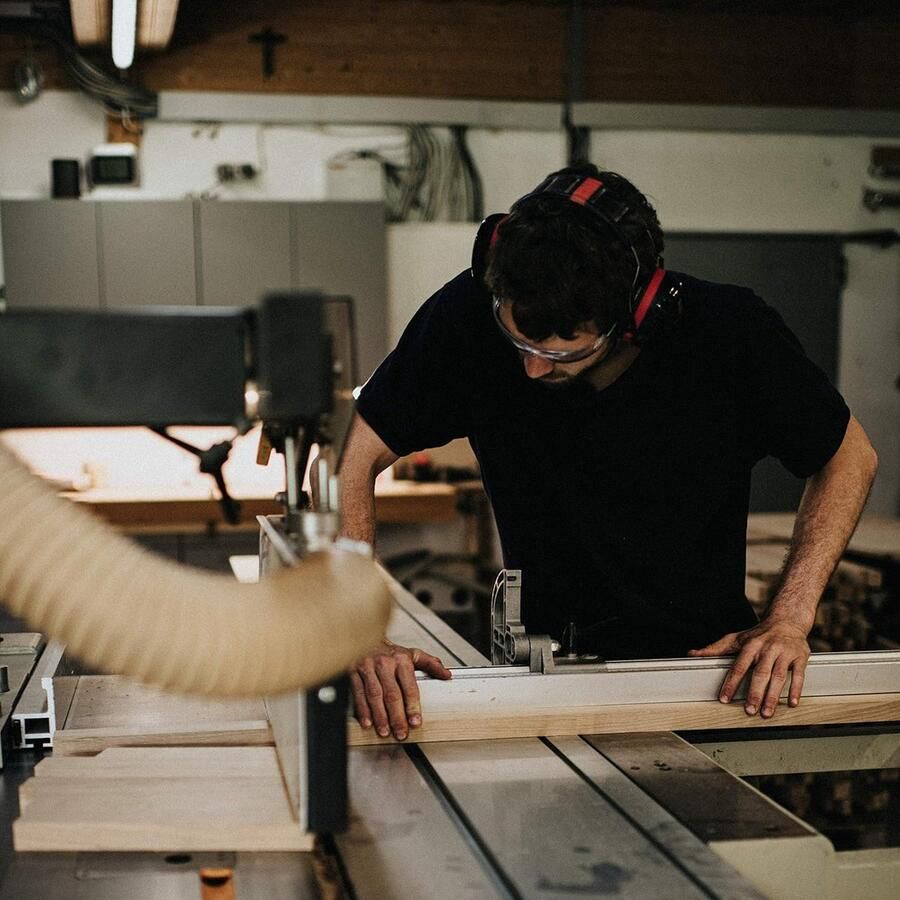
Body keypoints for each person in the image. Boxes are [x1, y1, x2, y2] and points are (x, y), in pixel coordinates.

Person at [340, 164, 878, 741]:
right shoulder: (468, 316)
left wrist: (790, 618)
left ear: (635, 317)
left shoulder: (729, 336)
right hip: (539, 673)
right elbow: (352, 458)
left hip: (703, 677)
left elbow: (849, 458)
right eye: (518, 339)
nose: (532, 366)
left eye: (562, 352)